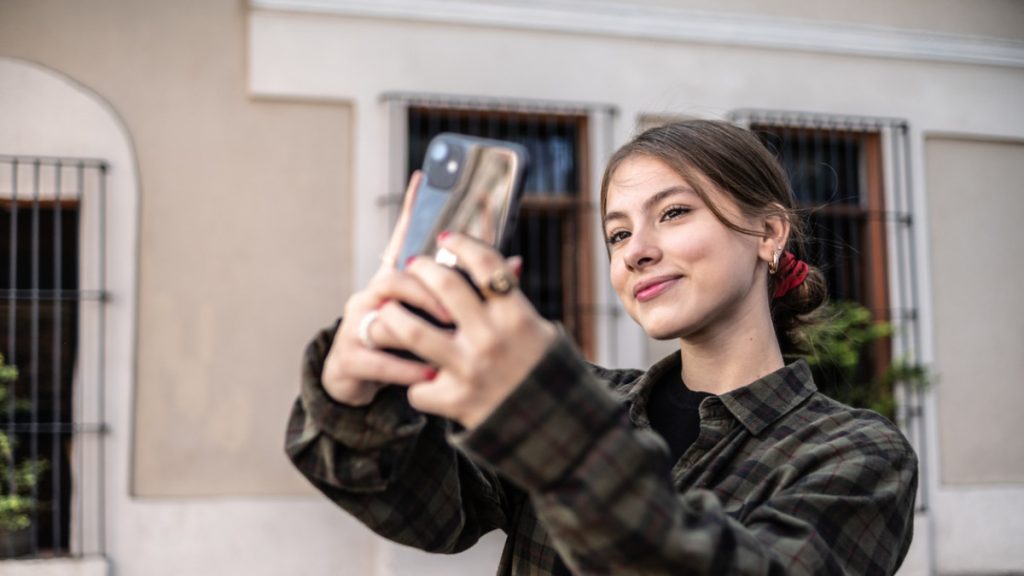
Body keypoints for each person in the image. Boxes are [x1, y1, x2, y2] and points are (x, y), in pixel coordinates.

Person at [285, 120, 918, 575]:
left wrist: (554, 427)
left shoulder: (857, 456)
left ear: (769, 233)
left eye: (673, 213)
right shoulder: (593, 399)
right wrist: (355, 396)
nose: (635, 251)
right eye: (617, 234)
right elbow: (424, 511)